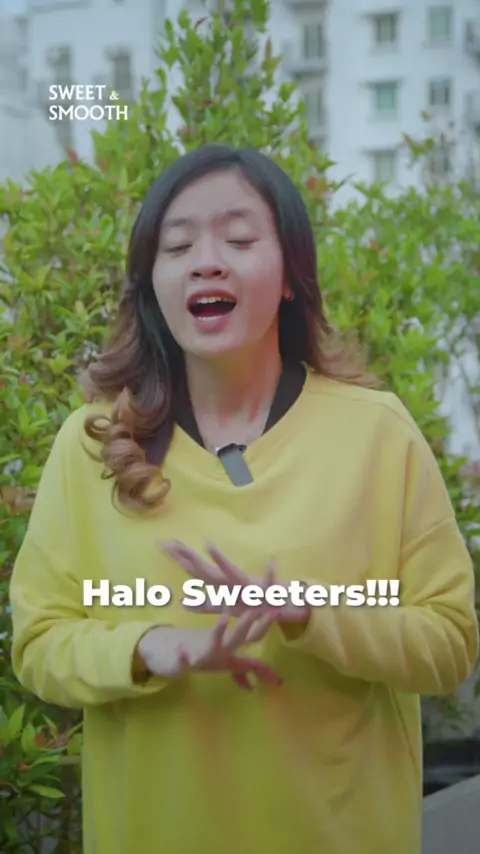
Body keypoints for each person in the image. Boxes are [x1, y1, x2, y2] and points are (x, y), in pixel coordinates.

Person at [9, 144, 478, 854]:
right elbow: (40, 642)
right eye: (177, 246)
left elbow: (449, 643)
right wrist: (148, 648)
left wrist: (312, 613)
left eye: (238, 239)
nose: (206, 261)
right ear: (152, 282)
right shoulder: (92, 444)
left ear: (290, 275)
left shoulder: (377, 434)